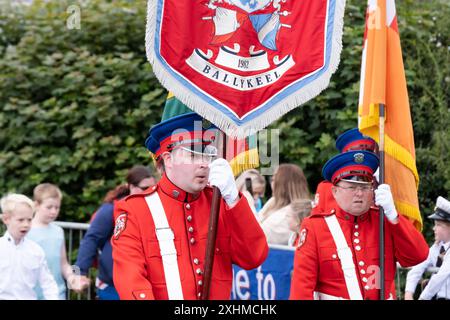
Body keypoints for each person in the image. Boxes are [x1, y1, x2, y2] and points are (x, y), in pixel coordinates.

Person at [111, 112, 269, 300]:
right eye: (193, 155)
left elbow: (254, 256)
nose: (204, 164)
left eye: (208, 155)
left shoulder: (220, 203)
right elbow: (131, 281)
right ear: (168, 160)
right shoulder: (135, 210)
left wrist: (233, 198)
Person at [289, 151, 429, 300]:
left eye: (364, 187)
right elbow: (302, 288)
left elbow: (418, 256)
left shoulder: (384, 221)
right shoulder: (315, 227)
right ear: (335, 191)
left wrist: (393, 216)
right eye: (351, 187)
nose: (359, 194)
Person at [71, 165, 157, 300]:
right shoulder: (111, 209)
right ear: (131, 187)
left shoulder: (153, 209)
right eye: (145, 188)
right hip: (112, 287)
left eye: (153, 188)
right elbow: (90, 240)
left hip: (142, 285)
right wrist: (77, 273)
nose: (150, 193)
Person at [0, 193, 59, 300]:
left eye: (29, 219)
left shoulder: (36, 250)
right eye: (20, 220)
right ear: (6, 219)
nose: (26, 224)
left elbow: (48, 283)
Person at [27, 183, 74, 300]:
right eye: (49, 207)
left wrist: (72, 277)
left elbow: (63, 263)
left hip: (57, 293)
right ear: (36, 205)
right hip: (30, 294)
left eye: (57, 207)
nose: (53, 211)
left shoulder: (58, 231)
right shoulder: (26, 230)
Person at [405, 196, 450, 300]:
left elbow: (439, 278)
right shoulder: (437, 247)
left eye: (438, 225)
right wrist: (409, 293)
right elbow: (418, 267)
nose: (434, 228)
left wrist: (422, 298)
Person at [258, 164, 311, 246]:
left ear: (283, 184)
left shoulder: (292, 213)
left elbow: (255, 235)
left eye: (274, 179)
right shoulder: (273, 202)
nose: (272, 183)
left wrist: (249, 204)